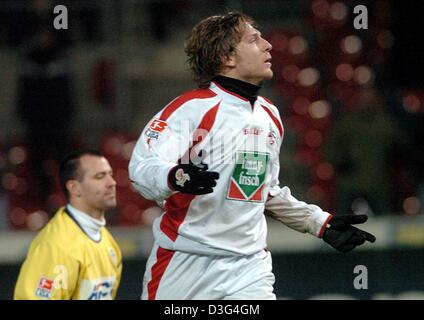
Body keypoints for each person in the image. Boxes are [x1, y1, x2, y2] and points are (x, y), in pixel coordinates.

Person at [129, 12, 376, 300]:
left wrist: (316, 221)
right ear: (227, 57)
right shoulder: (191, 109)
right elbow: (142, 166)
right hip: (185, 265)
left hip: (249, 269)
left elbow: (263, 191)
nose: (269, 45)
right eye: (254, 40)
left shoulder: (268, 113)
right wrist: (175, 176)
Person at [14, 150, 122, 300]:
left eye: (110, 174)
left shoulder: (108, 242)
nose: (112, 183)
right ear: (74, 188)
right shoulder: (57, 245)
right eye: (100, 176)